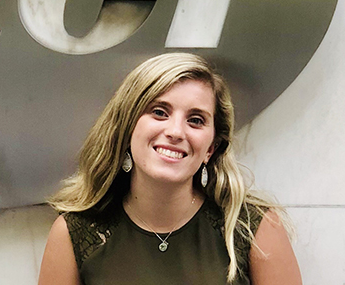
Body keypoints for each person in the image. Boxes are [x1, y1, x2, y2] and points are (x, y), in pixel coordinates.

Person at [38, 53, 302, 284]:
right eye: (160, 112)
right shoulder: (75, 234)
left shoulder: (253, 228)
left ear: (210, 148)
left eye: (196, 120)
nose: (175, 132)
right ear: (127, 127)